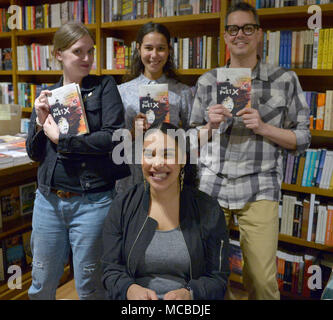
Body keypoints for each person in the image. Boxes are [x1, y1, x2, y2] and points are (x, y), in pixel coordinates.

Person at [189, 2, 311, 300]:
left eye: (247, 28)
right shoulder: (207, 81)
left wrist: (264, 127)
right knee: (207, 273)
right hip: (212, 183)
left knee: (261, 279)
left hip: (259, 184)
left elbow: (303, 138)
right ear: (226, 36)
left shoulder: (284, 80)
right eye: (233, 29)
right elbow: (190, 139)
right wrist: (209, 126)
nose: (239, 34)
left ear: (259, 34)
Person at [26, 21, 128, 300]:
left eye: (90, 51)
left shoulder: (105, 86)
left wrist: (64, 140)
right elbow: (34, 153)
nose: (86, 58)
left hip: (93, 201)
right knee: (41, 282)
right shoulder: (48, 94)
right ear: (58, 54)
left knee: (91, 285)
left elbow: (113, 138)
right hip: (48, 200)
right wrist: (39, 120)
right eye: (78, 52)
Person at [101, 122, 230, 300]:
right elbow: (110, 269)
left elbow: (218, 278)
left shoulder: (208, 209)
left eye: (168, 154)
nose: (158, 163)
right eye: (150, 154)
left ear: (183, 159)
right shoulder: (122, 205)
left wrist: (190, 295)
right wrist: (129, 290)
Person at [116, 22, 193, 194]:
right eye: (148, 48)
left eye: (161, 48)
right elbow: (114, 140)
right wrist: (133, 132)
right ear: (138, 49)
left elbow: (192, 136)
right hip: (130, 176)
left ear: (169, 51)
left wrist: (173, 136)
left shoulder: (182, 92)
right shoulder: (122, 91)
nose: (154, 55)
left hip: (166, 173)